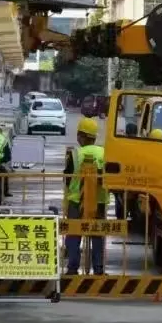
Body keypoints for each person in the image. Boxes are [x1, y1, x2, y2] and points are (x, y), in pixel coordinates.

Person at [63, 117, 107, 275]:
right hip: (99, 202)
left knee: (74, 233)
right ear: (94, 137)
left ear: (81, 136)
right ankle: (99, 269)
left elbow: (67, 179)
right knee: (97, 234)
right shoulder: (104, 153)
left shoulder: (75, 154)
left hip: (76, 202)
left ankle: (73, 268)